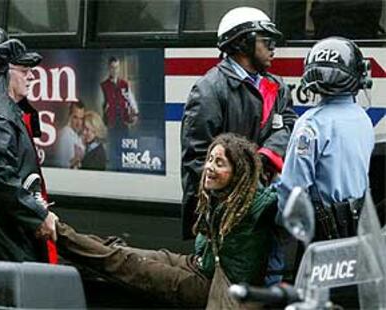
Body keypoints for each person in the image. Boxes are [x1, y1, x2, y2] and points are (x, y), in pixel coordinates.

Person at [56, 133, 277, 308]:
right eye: (210, 159)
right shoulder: (220, 198)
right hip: (201, 266)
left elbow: (274, 203)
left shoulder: (252, 207)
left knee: (130, 265)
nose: (209, 167)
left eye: (219, 163)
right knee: (122, 251)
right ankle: (62, 248)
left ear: (238, 174)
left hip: (214, 287)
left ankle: (59, 234)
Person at [181, 6, 297, 239]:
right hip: (228, 218)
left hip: (264, 208)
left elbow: (289, 126)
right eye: (267, 42)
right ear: (243, 43)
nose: (273, 49)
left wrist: (263, 156)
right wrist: (218, 212)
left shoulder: (277, 85)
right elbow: (198, 160)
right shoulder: (209, 90)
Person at [0, 25, 58, 262]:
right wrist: (37, 214)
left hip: (5, 239)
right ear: (5, 72)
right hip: (5, 244)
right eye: (24, 70)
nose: (31, 76)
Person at [277, 37, 375, 241]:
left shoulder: (310, 125)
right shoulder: (363, 117)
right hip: (358, 227)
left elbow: (292, 190)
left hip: (322, 234)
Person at [101, 56, 139, 170]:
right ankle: (115, 167)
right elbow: (103, 103)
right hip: (111, 121)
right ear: (109, 68)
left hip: (123, 120)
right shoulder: (104, 85)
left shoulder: (124, 84)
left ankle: (125, 167)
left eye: (116, 67)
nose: (115, 70)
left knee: (124, 144)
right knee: (113, 145)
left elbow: (130, 98)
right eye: (112, 67)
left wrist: (135, 113)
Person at [56, 101, 85, 169]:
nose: (79, 123)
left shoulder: (77, 136)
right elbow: (62, 165)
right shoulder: (65, 136)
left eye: (81, 118)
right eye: (75, 117)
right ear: (69, 116)